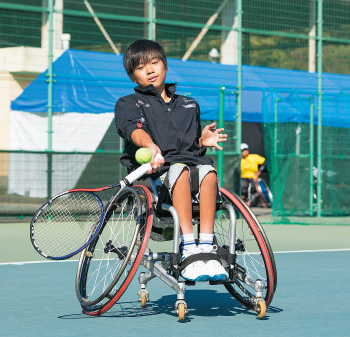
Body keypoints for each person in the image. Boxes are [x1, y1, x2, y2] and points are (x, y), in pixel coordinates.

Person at [114, 39, 228, 282]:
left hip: (191, 171)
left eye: (155, 63)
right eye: (141, 67)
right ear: (133, 77)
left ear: (165, 66)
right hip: (156, 178)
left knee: (208, 170)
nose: (150, 69)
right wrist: (150, 146)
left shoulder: (189, 105)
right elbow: (131, 128)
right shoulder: (129, 103)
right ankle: (189, 248)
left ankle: (206, 248)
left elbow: (188, 148)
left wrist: (200, 142)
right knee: (180, 170)